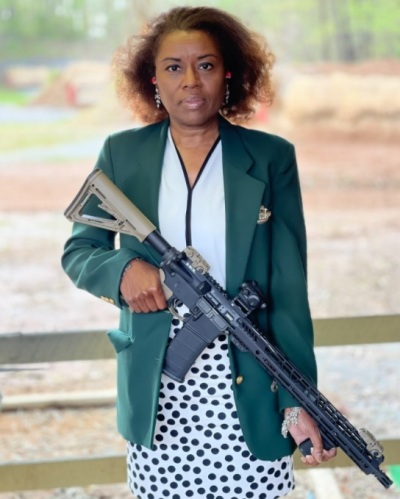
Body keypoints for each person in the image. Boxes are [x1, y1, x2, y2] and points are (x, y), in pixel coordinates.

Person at [62, 6, 336, 498]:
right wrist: (124, 269)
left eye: (206, 65)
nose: (191, 80)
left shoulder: (271, 157)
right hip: (157, 385)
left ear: (229, 74)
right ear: (153, 80)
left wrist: (300, 402)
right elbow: (80, 251)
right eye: (174, 67)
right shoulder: (123, 153)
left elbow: (290, 291)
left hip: (251, 380)